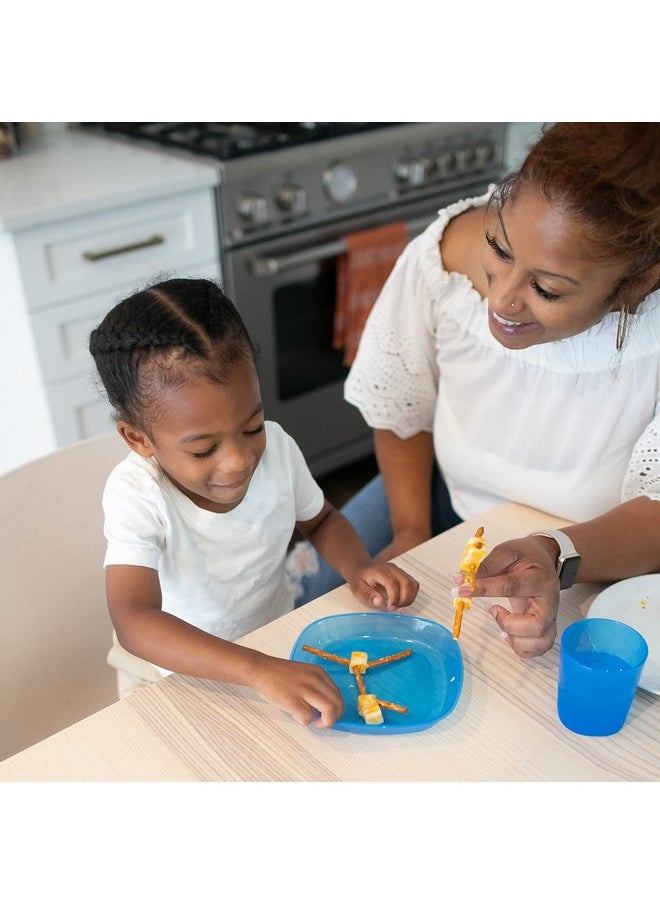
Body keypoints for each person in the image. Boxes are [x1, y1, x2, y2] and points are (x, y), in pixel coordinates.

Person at [291, 122, 660, 659]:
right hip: (442, 500)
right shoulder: (444, 260)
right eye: (500, 248)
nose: (502, 299)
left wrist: (555, 555)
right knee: (303, 606)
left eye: (546, 289)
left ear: (638, 282)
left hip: (599, 550)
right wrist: (412, 527)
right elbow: (401, 403)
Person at [88, 278, 419, 727]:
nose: (240, 461)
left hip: (270, 646)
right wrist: (257, 670)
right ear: (138, 439)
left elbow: (320, 522)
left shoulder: (279, 449)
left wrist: (358, 566)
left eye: (253, 427)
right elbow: (134, 620)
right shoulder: (138, 494)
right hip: (170, 675)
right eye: (204, 450)